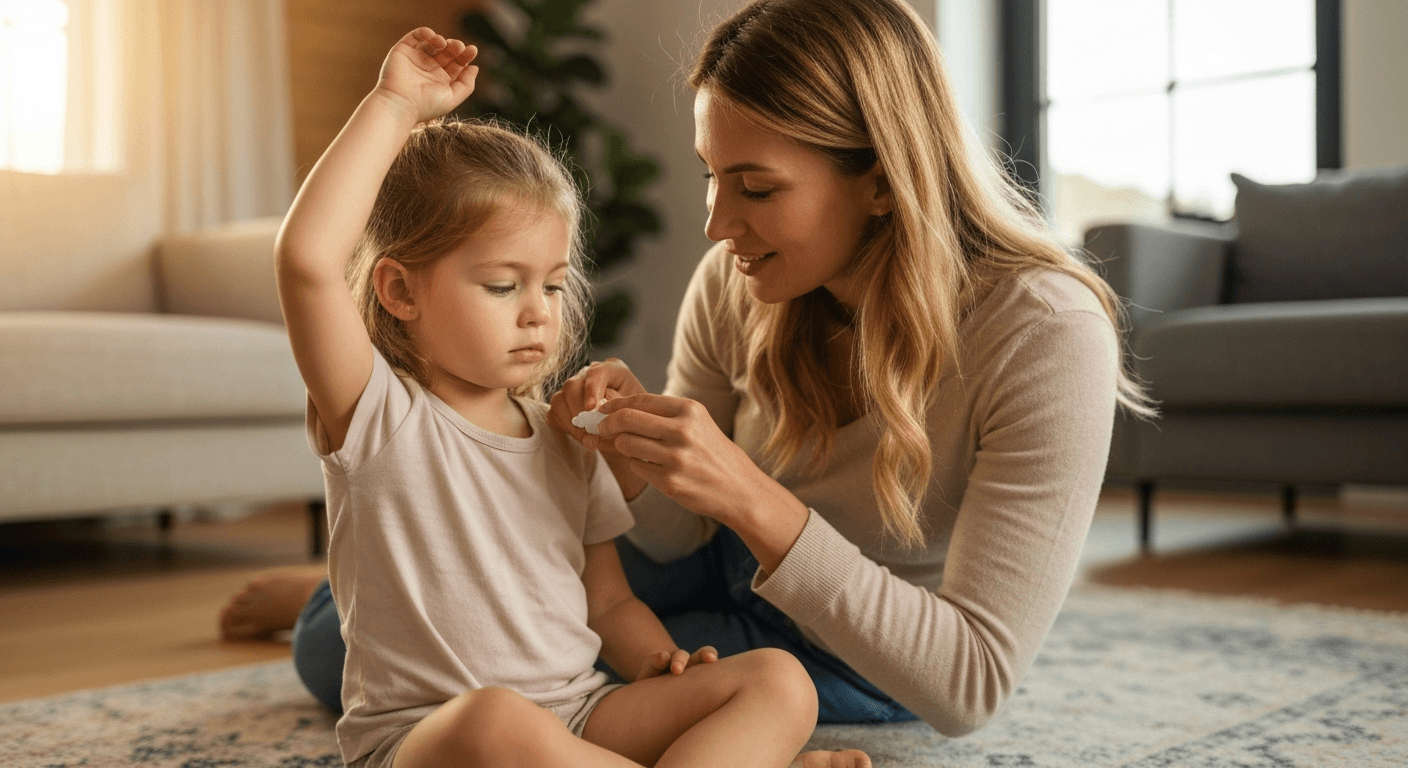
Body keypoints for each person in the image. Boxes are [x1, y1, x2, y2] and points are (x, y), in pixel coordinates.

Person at [224, 0, 1153, 739]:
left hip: (861, 639)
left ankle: (344, 576)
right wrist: (629, 458)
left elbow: (971, 683)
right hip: (715, 568)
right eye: (711, 175)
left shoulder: (1046, 334)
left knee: (543, 681)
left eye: (755, 188)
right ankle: (340, 573)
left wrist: (749, 497)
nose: (715, 224)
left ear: (880, 178)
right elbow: (661, 539)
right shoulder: (740, 279)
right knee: (339, 641)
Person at [273, 24, 868, 768]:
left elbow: (609, 603)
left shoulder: (568, 437)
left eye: (553, 285)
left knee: (780, 681)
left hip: (582, 719)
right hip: (433, 740)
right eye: (502, 285)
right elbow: (307, 263)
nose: (538, 311)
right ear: (399, 290)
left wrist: (657, 660)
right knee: (496, 722)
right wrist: (395, 102)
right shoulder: (377, 415)